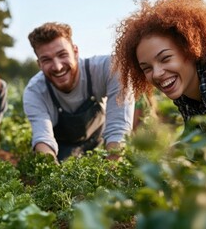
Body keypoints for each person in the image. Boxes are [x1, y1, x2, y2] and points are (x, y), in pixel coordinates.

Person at [23, 22, 135, 162]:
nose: (57, 67)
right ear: (39, 64)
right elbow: (43, 138)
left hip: (101, 142)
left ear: (75, 52)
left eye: (62, 54)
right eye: (46, 60)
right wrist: (52, 177)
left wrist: (111, 171)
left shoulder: (109, 68)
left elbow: (118, 127)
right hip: (61, 150)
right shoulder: (35, 91)